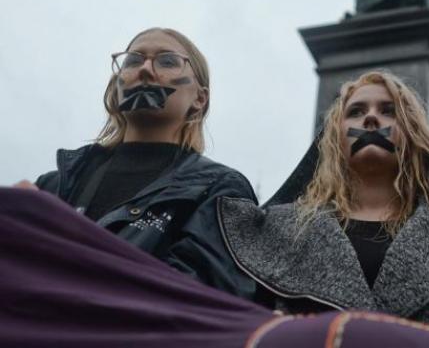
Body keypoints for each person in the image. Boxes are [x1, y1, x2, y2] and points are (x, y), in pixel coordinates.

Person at [217, 71, 429, 330]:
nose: (370, 118)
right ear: (335, 137)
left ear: (410, 131)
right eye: (355, 111)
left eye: (388, 111)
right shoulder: (280, 228)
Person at [16, 27, 258, 296]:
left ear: (199, 99)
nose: (145, 69)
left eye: (167, 61)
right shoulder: (55, 185)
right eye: (133, 60)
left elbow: (199, 303)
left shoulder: (220, 190)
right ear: (117, 85)